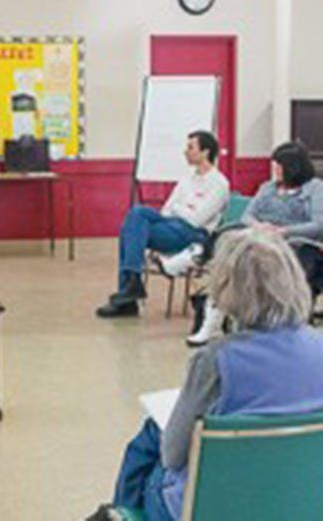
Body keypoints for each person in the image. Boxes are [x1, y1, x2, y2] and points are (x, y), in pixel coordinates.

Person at [92, 228, 323, 521]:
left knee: (151, 436)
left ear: (226, 288)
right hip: (298, 501)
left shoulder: (215, 359)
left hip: (213, 507)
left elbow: (173, 456)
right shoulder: (319, 345)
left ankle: (121, 513)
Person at [187, 142, 323, 345]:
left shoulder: (315, 189)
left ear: (293, 168)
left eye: (279, 167)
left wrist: (283, 231)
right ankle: (213, 317)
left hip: (294, 242)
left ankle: (283, 322)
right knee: (230, 250)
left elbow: (318, 224)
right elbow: (247, 215)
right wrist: (259, 227)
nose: (275, 171)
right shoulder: (267, 188)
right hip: (260, 238)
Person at [96, 131, 229, 318]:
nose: (185, 151)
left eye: (191, 147)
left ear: (205, 152)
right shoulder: (187, 179)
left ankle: (129, 295)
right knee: (136, 216)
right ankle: (131, 286)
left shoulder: (219, 184)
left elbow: (196, 220)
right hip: (172, 225)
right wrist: (185, 209)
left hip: (194, 235)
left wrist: (179, 209)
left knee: (131, 229)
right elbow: (167, 209)